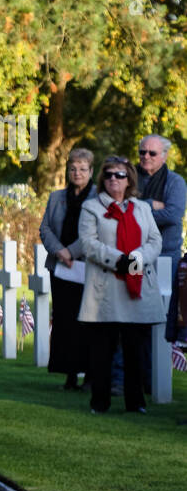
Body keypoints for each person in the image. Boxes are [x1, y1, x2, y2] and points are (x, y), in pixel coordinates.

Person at [78, 156, 162, 414]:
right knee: (102, 350)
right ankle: (100, 402)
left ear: (129, 180)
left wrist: (135, 259)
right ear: (102, 179)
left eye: (120, 175)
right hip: (106, 288)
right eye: (109, 175)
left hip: (134, 287)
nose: (114, 179)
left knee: (135, 350)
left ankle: (135, 402)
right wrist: (120, 260)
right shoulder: (92, 208)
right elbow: (88, 244)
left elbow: (154, 240)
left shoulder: (142, 208)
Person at [39, 149, 97, 389]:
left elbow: (93, 232)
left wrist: (71, 252)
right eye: (73, 168)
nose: (77, 173)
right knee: (65, 321)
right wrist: (60, 252)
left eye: (83, 169)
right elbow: (45, 229)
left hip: (88, 268)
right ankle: (69, 373)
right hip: (61, 269)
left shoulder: (98, 198)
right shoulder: (56, 197)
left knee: (87, 322)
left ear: (91, 171)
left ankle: (91, 375)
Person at [136, 135, 185, 342]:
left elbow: (173, 215)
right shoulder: (127, 178)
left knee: (163, 312)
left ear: (164, 157)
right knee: (134, 311)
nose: (146, 156)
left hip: (165, 257)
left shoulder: (175, 182)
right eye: (142, 152)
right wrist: (150, 204)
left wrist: (138, 210)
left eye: (152, 153)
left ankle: (158, 365)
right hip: (134, 255)